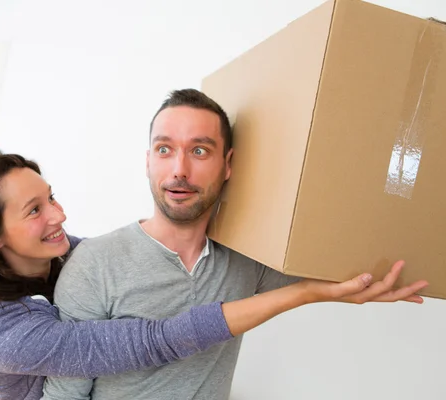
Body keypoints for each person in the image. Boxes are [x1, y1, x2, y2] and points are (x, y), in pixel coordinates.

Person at [0, 152, 410, 400]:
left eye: (51, 196)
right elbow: (149, 341)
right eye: (34, 210)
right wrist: (304, 293)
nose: (60, 214)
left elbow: (143, 260)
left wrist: (342, 285)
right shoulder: (7, 337)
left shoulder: (70, 259)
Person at [42, 89, 428, 400]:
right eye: (164, 149)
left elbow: (335, 270)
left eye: (199, 150)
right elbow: (64, 395)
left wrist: (375, 279)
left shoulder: (248, 261)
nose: (179, 169)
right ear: (148, 162)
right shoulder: (93, 265)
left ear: (228, 164)